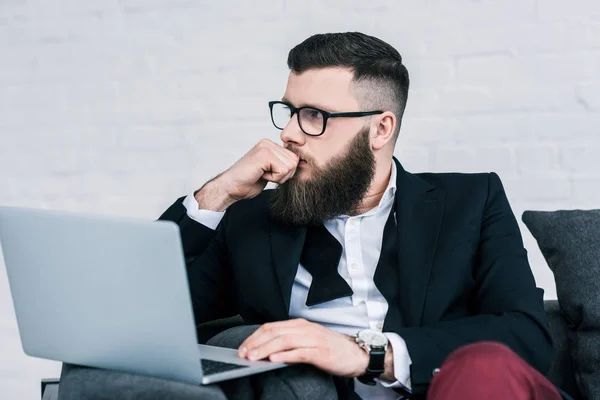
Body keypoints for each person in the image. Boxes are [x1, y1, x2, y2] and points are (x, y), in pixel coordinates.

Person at [158, 32, 565, 399]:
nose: (290, 134)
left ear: (381, 129)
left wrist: (371, 354)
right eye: (289, 111)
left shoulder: (471, 201)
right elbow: (150, 313)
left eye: (315, 115)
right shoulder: (253, 218)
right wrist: (219, 192)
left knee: (483, 368)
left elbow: (526, 334)